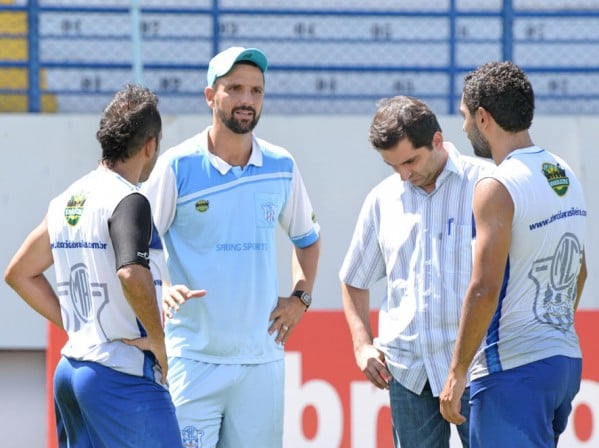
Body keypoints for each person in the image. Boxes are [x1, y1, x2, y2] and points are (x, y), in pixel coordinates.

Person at [141, 46, 321, 448]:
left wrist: (300, 297)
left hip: (261, 361)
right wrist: (163, 285)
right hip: (192, 358)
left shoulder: (282, 165)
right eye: (235, 88)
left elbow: (307, 240)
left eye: (256, 91)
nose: (246, 100)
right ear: (210, 96)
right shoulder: (177, 166)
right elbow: (137, 243)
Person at [4, 84, 186, 447]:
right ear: (150, 145)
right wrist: (160, 343)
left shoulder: (67, 199)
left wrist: (80, 328)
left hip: (71, 371)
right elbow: (131, 273)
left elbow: (19, 273)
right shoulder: (128, 199)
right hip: (120, 376)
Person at [439, 61, 588, 447]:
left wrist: (456, 373)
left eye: (464, 116)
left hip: (513, 370)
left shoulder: (496, 185)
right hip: (563, 361)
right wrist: (549, 329)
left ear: (483, 117)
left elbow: (484, 288)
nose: (463, 127)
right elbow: (580, 270)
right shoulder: (564, 171)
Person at [339, 95, 492, 447]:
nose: (405, 174)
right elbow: (353, 280)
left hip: (477, 368)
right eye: (393, 166)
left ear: (437, 140)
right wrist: (362, 346)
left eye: (410, 160)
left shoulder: (487, 183)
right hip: (408, 372)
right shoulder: (382, 199)